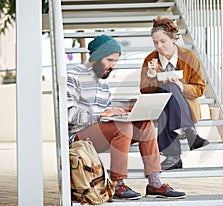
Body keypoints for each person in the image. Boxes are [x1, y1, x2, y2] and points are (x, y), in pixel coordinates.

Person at [67, 34, 185, 200]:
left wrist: (125, 112)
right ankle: (117, 184)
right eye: (109, 60)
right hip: (79, 138)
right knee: (123, 127)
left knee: (144, 123)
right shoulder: (73, 76)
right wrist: (103, 114)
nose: (113, 66)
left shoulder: (103, 82)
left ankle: (154, 183)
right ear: (96, 57)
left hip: (100, 133)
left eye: (115, 61)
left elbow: (106, 115)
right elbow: (68, 114)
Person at [140, 16, 209, 170]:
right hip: (160, 106)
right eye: (155, 42)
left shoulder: (190, 57)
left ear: (173, 38)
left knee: (171, 87)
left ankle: (173, 156)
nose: (159, 46)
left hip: (185, 106)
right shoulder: (150, 60)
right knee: (167, 90)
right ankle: (188, 130)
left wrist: (180, 86)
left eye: (163, 41)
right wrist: (151, 75)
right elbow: (144, 90)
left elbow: (200, 88)